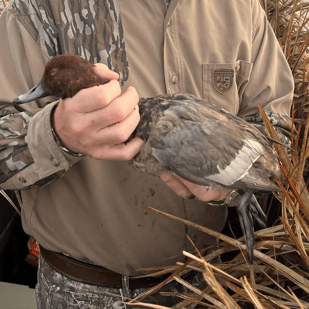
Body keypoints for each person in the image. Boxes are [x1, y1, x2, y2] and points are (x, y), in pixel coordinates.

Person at [0, 0, 294, 308]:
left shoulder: (240, 7)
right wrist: (56, 132)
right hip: (85, 293)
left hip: (210, 283)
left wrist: (232, 184)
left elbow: (276, 131)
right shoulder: (41, 8)